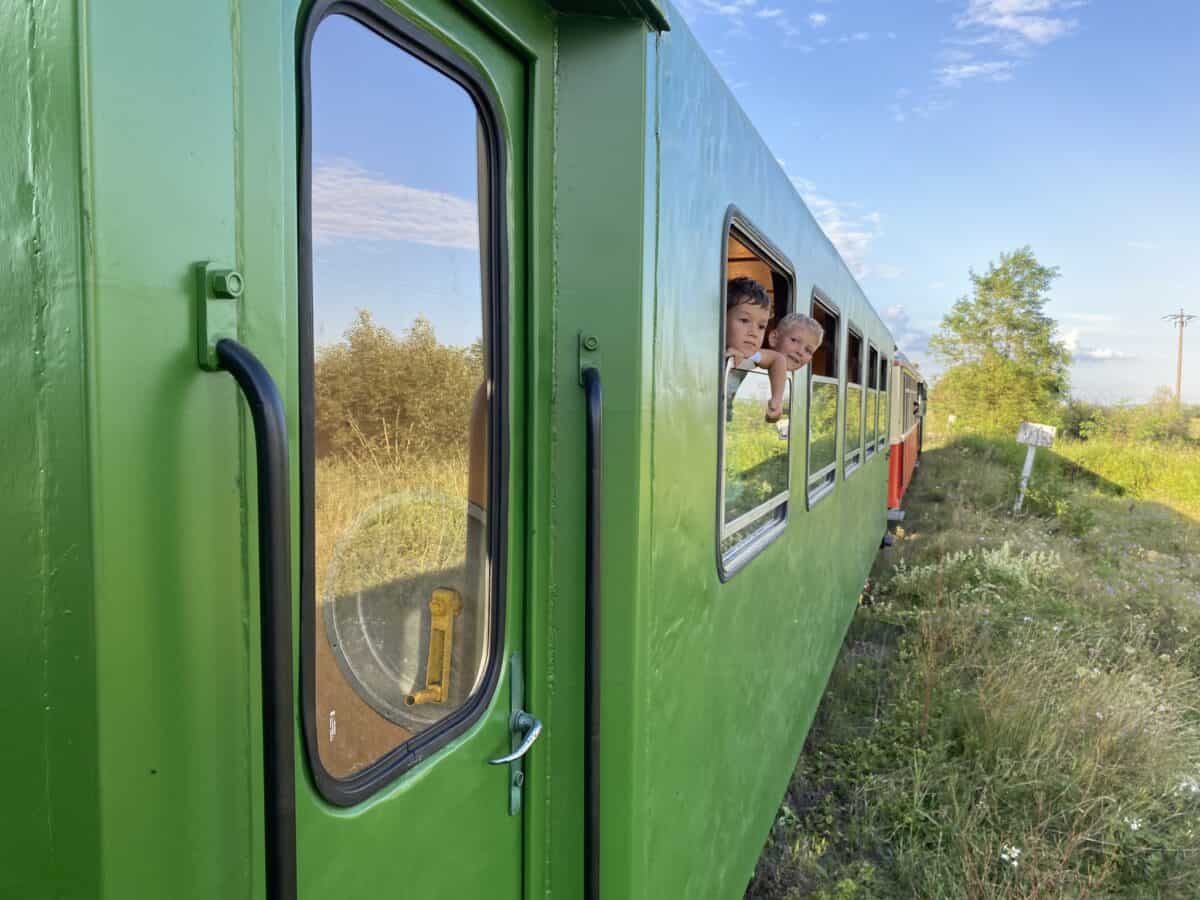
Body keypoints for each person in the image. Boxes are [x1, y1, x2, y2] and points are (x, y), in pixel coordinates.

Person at [724, 277, 788, 420]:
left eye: (761, 326)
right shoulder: (707, 349)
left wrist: (776, 399)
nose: (753, 332)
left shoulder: (752, 355)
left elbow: (777, 359)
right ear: (721, 318)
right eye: (744, 320)